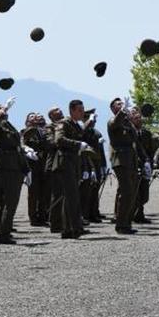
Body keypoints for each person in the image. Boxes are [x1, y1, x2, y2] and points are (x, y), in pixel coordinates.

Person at [0, 97, 28, 244]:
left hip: (15, 165)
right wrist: (4, 108)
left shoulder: (7, 125)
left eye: (2, 108)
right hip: (6, 166)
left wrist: (25, 168)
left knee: (11, 202)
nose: (2, 110)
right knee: (9, 202)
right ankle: (2, 235)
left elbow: (17, 146)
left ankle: (3, 231)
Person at [51, 100, 90, 239]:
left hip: (74, 163)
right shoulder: (64, 123)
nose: (82, 112)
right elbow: (59, 140)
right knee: (71, 197)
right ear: (72, 110)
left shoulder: (76, 125)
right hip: (65, 162)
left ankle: (69, 228)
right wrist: (78, 144)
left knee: (71, 197)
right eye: (80, 110)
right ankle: (73, 228)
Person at [107, 98, 142, 235]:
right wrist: (122, 112)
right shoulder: (112, 121)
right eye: (118, 104)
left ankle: (126, 223)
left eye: (123, 103)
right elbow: (116, 123)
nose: (122, 106)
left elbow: (136, 141)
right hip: (120, 160)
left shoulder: (128, 122)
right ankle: (121, 224)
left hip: (131, 160)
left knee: (131, 193)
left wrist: (143, 159)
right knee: (126, 192)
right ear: (113, 109)